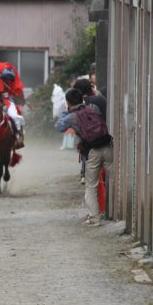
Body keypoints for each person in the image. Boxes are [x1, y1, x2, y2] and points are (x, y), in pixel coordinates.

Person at [55, 88, 113, 227]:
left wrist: (65, 110)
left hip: (92, 151)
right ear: (82, 99)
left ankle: (94, 218)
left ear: (68, 102)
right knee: (116, 178)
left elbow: (59, 127)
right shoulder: (93, 108)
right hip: (108, 145)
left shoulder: (71, 116)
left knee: (91, 186)